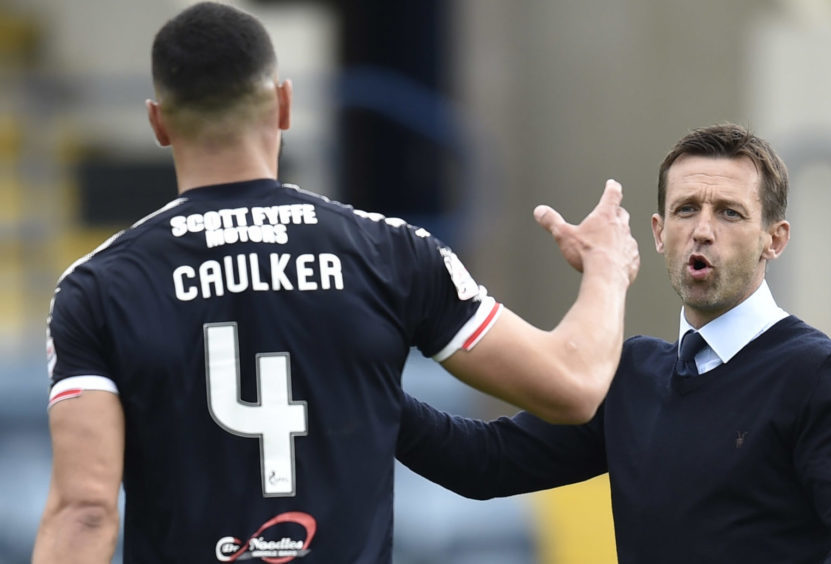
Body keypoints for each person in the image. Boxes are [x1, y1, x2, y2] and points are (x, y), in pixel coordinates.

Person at [31, 3, 640, 563]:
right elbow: (572, 386)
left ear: (159, 123)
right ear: (285, 105)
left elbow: (85, 511)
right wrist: (608, 269)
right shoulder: (390, 252)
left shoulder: (98, 287)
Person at [397, 123, 831, 563]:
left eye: (729, 213)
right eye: (686, 210)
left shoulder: (817, 375)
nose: (702, 230)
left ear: (775, 239)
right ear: (659, 233)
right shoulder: (631, 374)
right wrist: (360, 380)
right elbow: (484, 463)